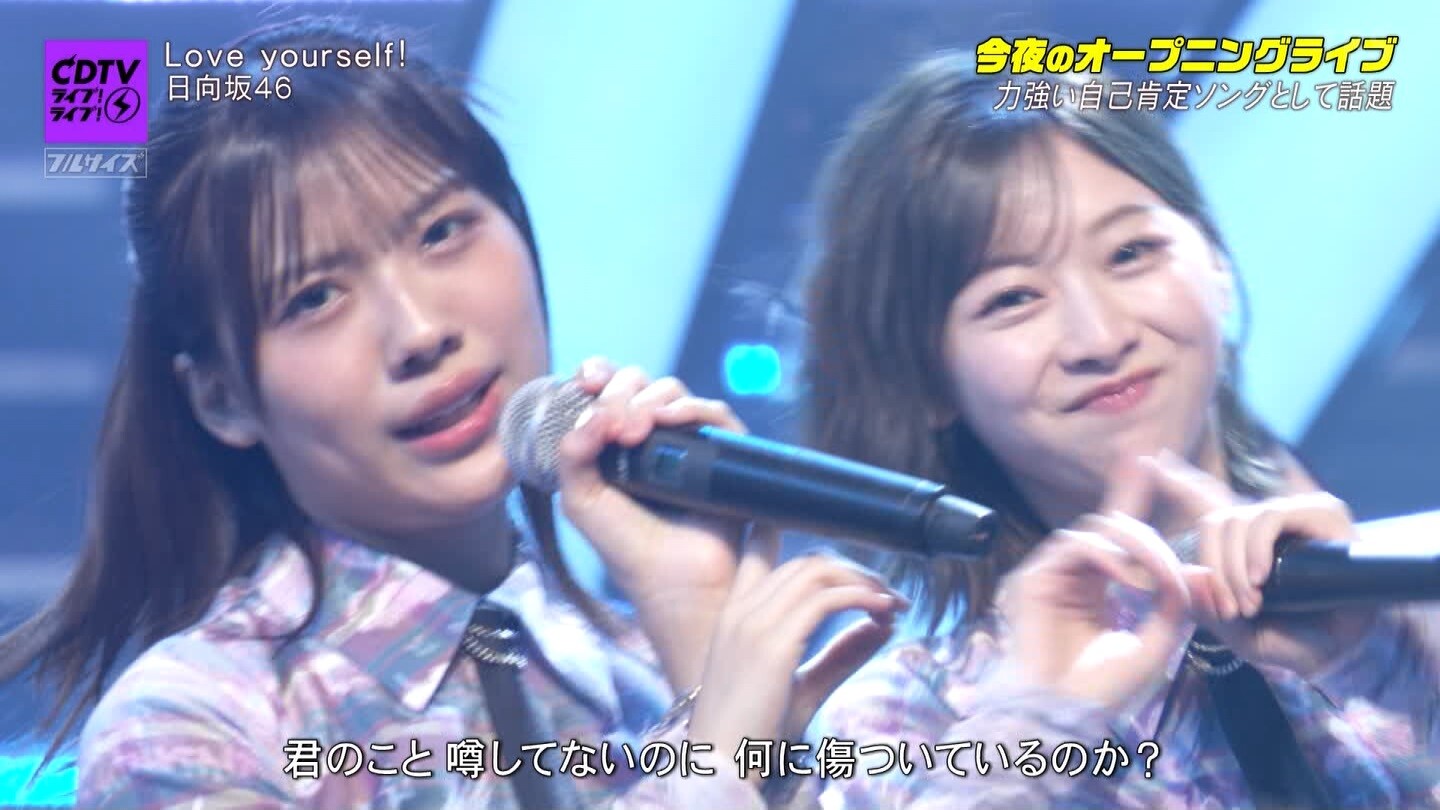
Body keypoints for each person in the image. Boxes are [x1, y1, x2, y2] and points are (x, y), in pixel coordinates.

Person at [0, 17, 905, 809]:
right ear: (222, 397)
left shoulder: (628, 669)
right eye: (314, 297)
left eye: (441, 232)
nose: (420, 332)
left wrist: (692, 624)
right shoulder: (195, 729)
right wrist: (713, 761)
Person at [799, 52, 1440, 808]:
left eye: (1131, 253)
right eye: (1012, 299)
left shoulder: (1404, 591)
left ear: (1217, 263)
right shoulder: (910, 718)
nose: (1099, 337)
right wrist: (1037, 728)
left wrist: (1380, 655)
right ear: (929, 381)